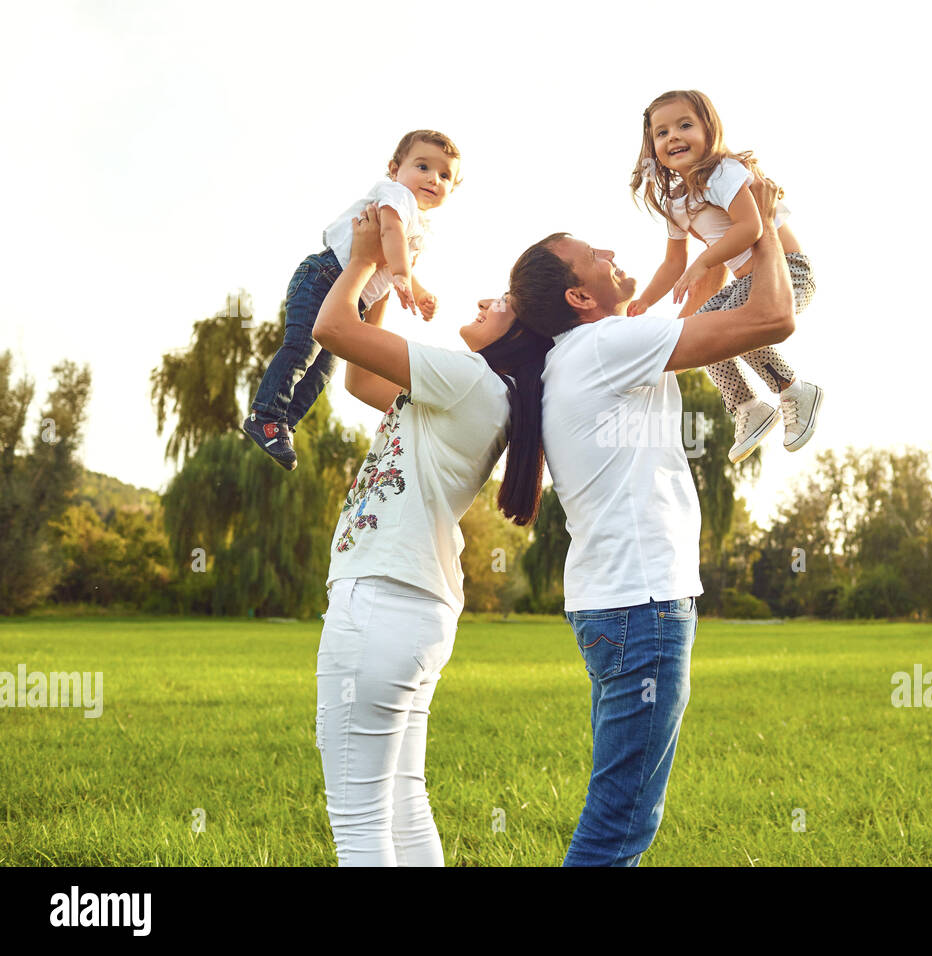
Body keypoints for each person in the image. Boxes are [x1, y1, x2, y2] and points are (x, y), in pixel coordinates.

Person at [509, 177, 795, 866]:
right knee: (619, 825)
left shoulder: (581, 355)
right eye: (591, 255)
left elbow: (704, 294)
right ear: (580, 297)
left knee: (621, 812)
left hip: (616, 605)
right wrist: (766, 223)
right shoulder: (608, 346)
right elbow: (772, 319)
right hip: (642, 606)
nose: (609, 249)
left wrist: (726, 233)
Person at [310, 203, 553, 866]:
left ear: (521, 335)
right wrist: (388, 286)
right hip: (417, 608)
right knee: (401, 801)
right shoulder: (483, 393)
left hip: (383, 598)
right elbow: (361, 377)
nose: (484, 300)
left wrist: (365, 258)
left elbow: (331, 328)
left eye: (502, 302)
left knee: (357, 818)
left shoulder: (468, 379)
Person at [242, 130, 461, 471]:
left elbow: (395, 257)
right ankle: (266, 413)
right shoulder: (396, 195)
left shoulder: (420, 227)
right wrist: (402, 274)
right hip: (324, 277)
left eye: (445, 175)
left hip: (349, 301)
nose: (433, 178)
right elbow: (389, 232)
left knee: (322, 371)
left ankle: (283, 425)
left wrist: (417, 291)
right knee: (302, 347)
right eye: (422, 166)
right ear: (394, 169)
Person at [628, 90, 823, 464]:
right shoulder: (675, 202)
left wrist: (703, 264)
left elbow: (751, 226)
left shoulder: (723, 172)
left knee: (737, 325)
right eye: (662, 132)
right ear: (652, 146)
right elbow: (673, 262)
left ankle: (794, 389)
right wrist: (646, 300)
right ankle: (748, 406)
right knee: (704, 332)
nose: (674, 137)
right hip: (746, 283)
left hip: (788, 271)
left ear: (708, 129)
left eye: (685, 125)